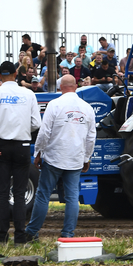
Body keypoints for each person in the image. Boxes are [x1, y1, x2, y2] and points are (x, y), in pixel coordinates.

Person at [25, 75, 96, 241]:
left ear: (61, 87)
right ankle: (68, 234)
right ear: (76, 86)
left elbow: (44, 132)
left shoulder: (54, 105)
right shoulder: (87, 108)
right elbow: (91, 137)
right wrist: (86, 158)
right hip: (75, 159)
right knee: (72, 197)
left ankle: (32, 232)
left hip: (54, 157)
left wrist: (38, 152)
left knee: (43, 195)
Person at [0, 61, 41, 246]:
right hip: (22, 145)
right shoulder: (28, 93)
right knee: (20, 193)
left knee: (1, 193)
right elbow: (37, 123)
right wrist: (22, 130)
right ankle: (20, 238)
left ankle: (1, 237)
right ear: (16, 73)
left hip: (1, 146)